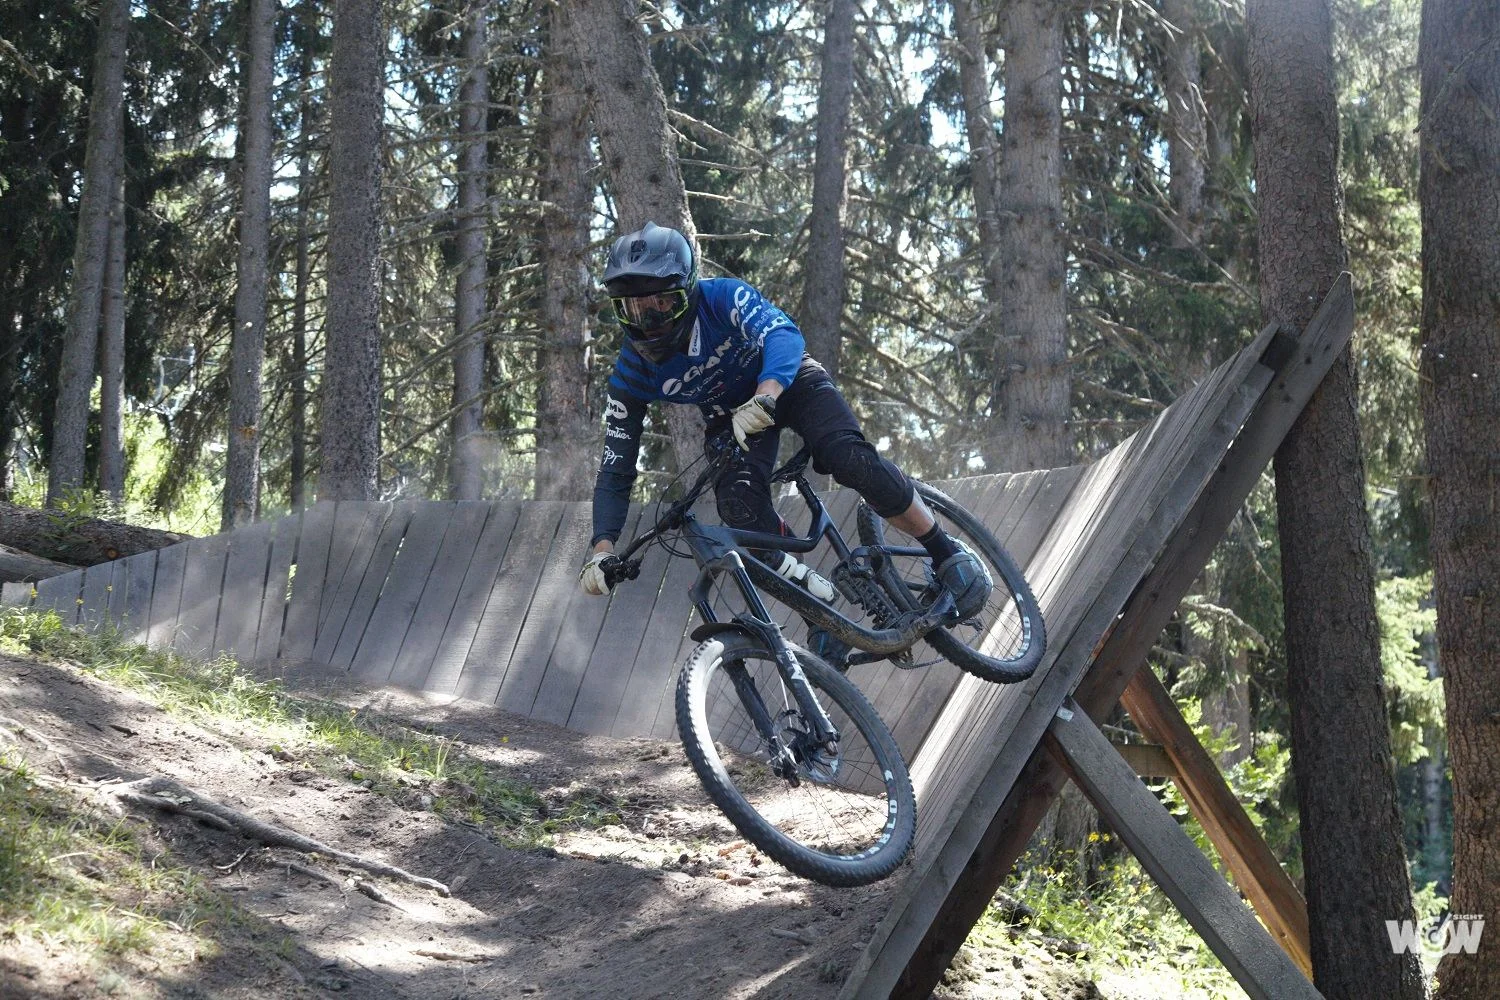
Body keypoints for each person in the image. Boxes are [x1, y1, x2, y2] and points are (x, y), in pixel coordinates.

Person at [578, 221, 990, 648]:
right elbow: (616, 466)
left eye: (661, 305)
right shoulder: (630, 372)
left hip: (789, 382)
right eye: (633, 309)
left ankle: (946, 553)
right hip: (729, 416)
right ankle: (821, 614)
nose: (648, 322)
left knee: (846, 456)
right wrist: (602, 547)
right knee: (738, 510)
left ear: (689, 290)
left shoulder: (721, 297)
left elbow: (782, 333)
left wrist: (766, 392)